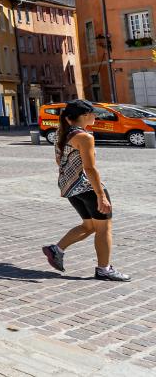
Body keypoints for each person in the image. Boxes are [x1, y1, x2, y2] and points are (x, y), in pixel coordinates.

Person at [41, 100, 130, 281]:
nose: (95, 117)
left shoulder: (62, 132)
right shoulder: (84, 137)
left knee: (89, 226)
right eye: (93, 114)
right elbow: (90, 168)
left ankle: (56, 250)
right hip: (87, 187)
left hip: (69, 186)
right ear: (83, 116)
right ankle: (104, 269)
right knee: (104, 228)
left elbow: (59, 161)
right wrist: (101, 195)